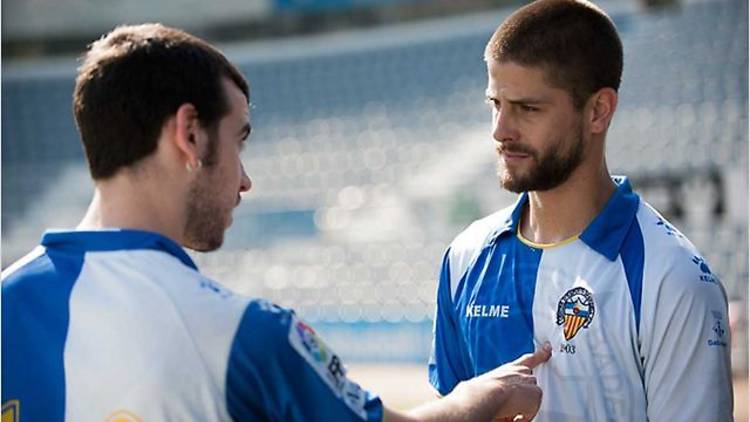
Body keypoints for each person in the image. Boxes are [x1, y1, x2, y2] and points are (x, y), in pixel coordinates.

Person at [0, 23, 552, 422]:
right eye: (238, 140)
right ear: (189, 134)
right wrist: (491, 394)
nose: (245, 181)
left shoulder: (8, 303)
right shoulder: (244, 334)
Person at [428, 0, 733, 421]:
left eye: (528, 108)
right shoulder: (465, 257)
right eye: (495, 104)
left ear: (598, 111)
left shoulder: (672, 277)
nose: (500, 131)